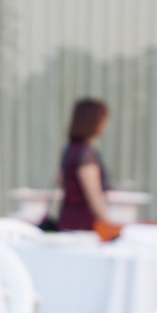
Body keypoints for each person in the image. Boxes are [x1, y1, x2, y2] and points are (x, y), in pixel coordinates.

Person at [54, 98, 111, 233]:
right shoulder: (86, 153)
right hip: (83, 226)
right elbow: (93, 193)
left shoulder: (71, 149)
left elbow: (61, 182)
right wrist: (108, 225)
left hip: (68, 220)